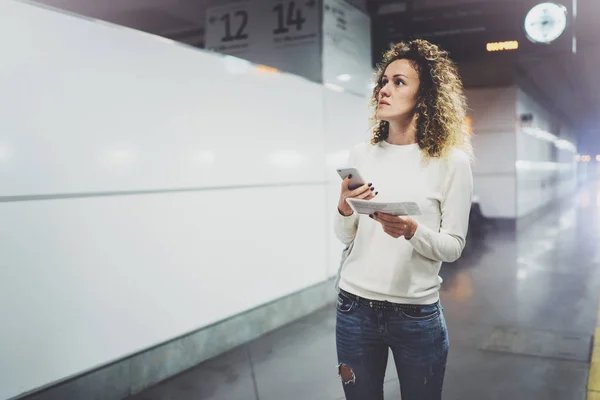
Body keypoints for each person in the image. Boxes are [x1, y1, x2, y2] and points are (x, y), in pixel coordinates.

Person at [333, 39, 474, 400]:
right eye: (383, 81)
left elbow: (454, 247)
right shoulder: (361, 153)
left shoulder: (451, 162)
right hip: (354, 308)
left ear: (424, 95)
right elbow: (345, 237)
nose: (384, 89)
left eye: (399, 82)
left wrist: (412, 231)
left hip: (416, 315)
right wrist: (345, 208)